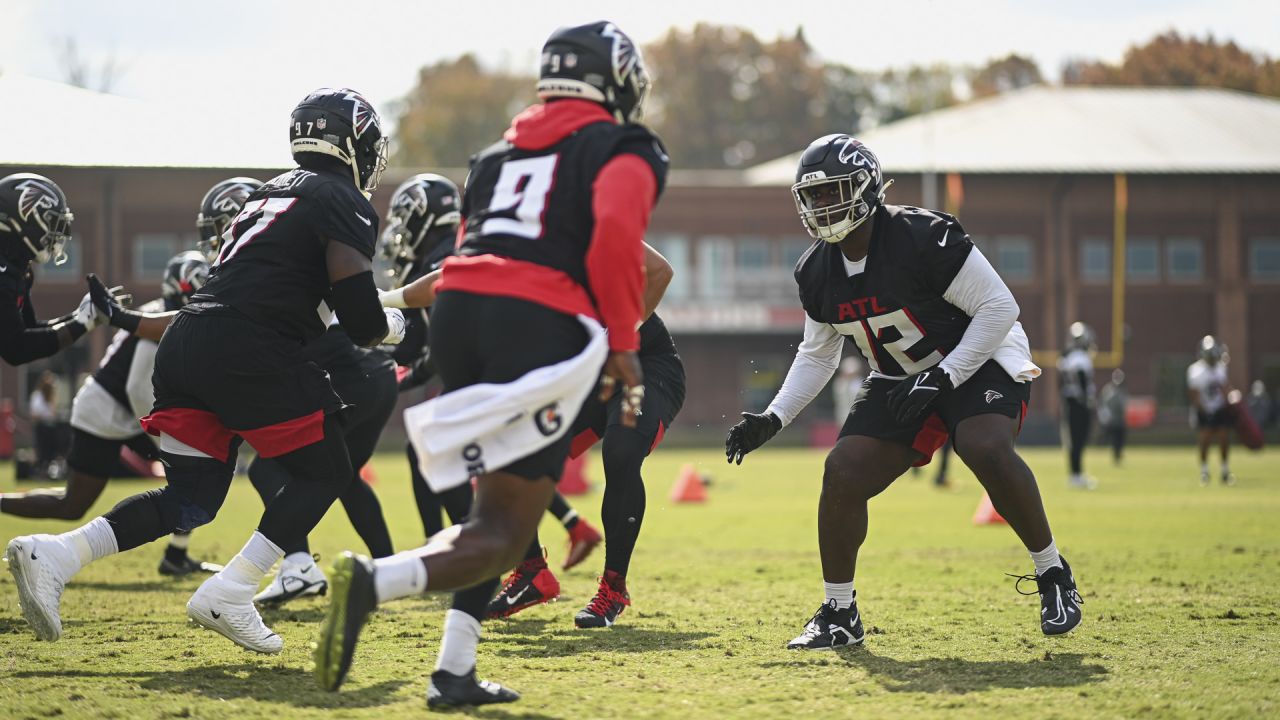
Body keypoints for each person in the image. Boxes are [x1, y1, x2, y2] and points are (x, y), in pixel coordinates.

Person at [314, 21, 666, 708]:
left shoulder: (497, 154)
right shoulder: (623, 145)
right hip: (535, 322)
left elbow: (463, 262)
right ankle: (372, 582)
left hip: (460, 317)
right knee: (503, 534)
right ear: (615, 78)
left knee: (490, 515)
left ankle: (453, 670)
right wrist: (622, 345)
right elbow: (619, 241)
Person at [6, 87, 404, 655]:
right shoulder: (342, 198)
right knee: (326, 469)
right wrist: (397, 327)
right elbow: (362, 317)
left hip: (188, 341)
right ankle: (234, 590)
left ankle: (57, 553)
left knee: (191, 498)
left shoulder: (267, 192)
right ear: (351, 143)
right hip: (249, 347)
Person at [724, 134, 1083, 650]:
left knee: (982, 446)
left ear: (867, 187)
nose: (823, 206)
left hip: (978, 357)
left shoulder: (922, 236)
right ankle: (839, 612)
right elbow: (818, 354)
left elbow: (1000, 308)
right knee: (842, 469)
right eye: (814, 196)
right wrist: (773, 417)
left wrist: (946, 375)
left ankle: (1053, 574)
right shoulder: (816, 271)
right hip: (899, 376)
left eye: (834, 192)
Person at [1, 252, 221, 576]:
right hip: (107, 410)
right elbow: (137, 389)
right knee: (73, 505)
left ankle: (176, 554)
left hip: (120, 411)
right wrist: (164, 436)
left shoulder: (159, 312)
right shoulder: (162, 318)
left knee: (190, 478)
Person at [488, 306, 684, 630]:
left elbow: (660, 271)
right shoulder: (509, 272)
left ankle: (614, 588)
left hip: (643, 365)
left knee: (621, 451)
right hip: (589, 379)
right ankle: (532, 571)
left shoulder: (579, 256)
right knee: (512, 449)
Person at [0, 173, 101, 369]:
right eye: (50, 224)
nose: (54, 235)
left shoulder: (18, 270)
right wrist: (83, 324)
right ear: (25, 217)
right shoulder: (4, 274)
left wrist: (80, 317)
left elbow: (29, 329)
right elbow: (16, 348)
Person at [1187, 335, 1233, 485]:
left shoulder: (1221, 368)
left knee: (1224, 439)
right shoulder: (1195, 371)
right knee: (1204, 440)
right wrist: (1205, 410)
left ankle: (1225, 471)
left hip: (1219, 408)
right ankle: (1205, 471)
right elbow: (1194, 396)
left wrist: (1229, 402)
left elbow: (1225, 389)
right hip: (1204, 409)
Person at [1058, 322, 1096, 488]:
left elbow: (1060, 383)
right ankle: (1076, 475)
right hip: (1079, 403)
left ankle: (1076, 474)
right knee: (1078, 440)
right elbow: (1081, 382)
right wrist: (1086, 399)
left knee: (1073, 440)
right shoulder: (1080, 359)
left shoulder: (1066, 358)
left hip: (1069, 401)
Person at [29, 371, 60, 475]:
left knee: (51, 450)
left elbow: (53, 413)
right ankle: (39, 470)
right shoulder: (37, 396)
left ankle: (49, 469)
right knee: (41, 450)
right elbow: (34, 414)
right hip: (41, 427)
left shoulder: (51, 397)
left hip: (50, 428)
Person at [1097, 369, 1128, 466]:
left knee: (1121, 439)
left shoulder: (1123, 390)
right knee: (1114, 439)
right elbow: (1103, 404)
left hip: (1120, 419)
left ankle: (1118, 455)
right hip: (1112, 420)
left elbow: (1124, 405)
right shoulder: (1108, 389)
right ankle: (1115, 456)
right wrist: (1104, 416)